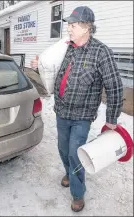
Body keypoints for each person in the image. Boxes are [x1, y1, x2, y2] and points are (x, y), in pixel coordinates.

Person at [31, 6, 123, 212]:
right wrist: (40, 64)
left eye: (73, 25)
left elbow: (115, 86)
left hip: (82, 116)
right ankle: (70, 172)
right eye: (69, 25)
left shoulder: (101, 52)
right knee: (63, 150)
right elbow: (53, 68)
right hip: (62, 111)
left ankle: (77, 192)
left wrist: (112, 119)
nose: (69, 29)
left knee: (75, 153)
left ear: (86, 27)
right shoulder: (66, 48)